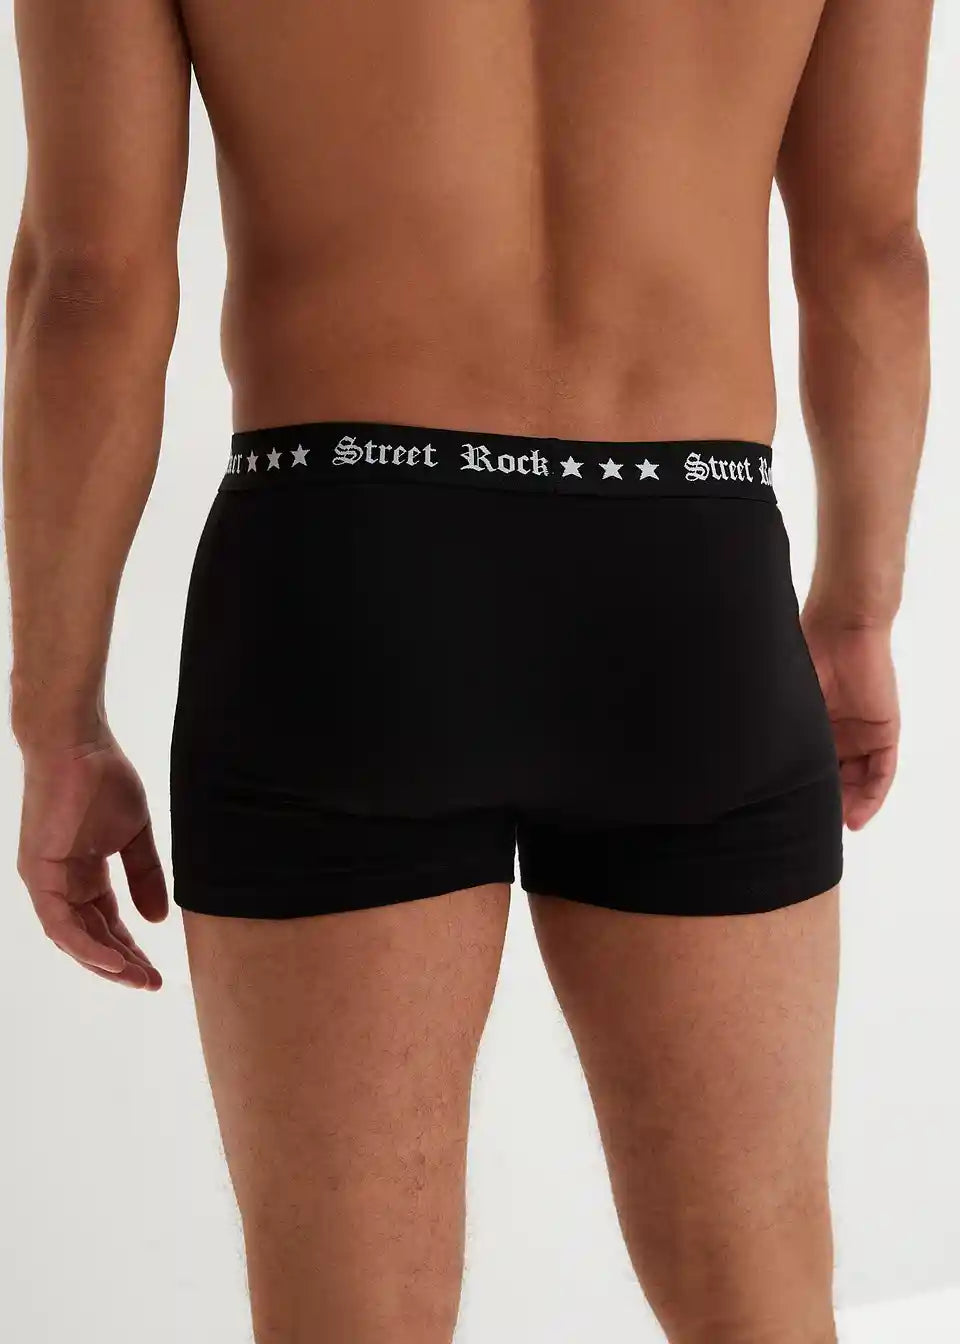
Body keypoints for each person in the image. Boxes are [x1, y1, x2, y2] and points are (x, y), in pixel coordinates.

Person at [3, 1, 933, 1340]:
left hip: (341, 579)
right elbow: (871, 254)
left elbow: (87, 281)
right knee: (762, 1305)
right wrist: (857, 611)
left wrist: (57, 714)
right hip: (693, 580)